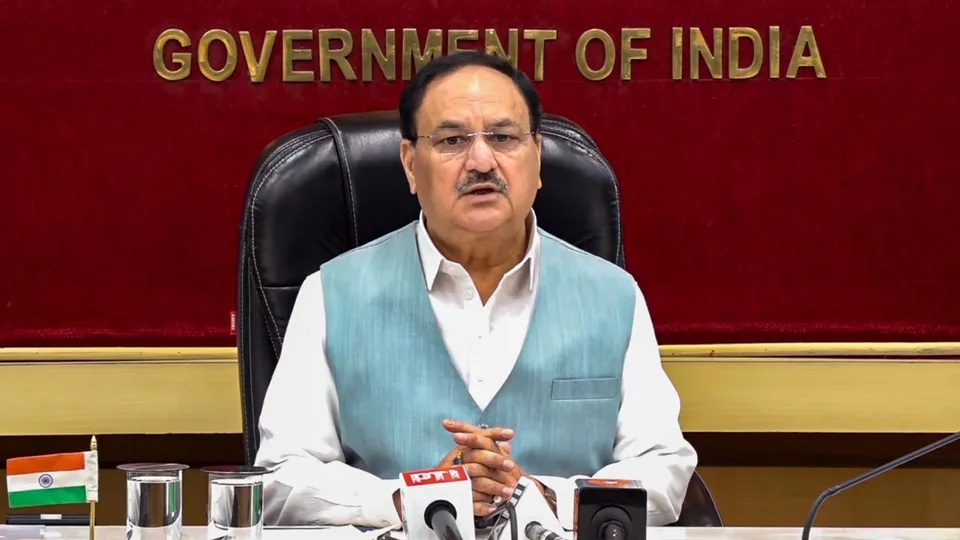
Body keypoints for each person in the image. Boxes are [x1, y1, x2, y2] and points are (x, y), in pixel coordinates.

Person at [253, 50, 697, 530]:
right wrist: (410, 499)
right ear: (409, 163)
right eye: (452, 140)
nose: (482, 160)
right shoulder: (330, 295)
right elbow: (280, 479)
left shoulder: (614, 297)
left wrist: (541, 495)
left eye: (504, 138)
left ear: (538, 157)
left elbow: (663, 472)